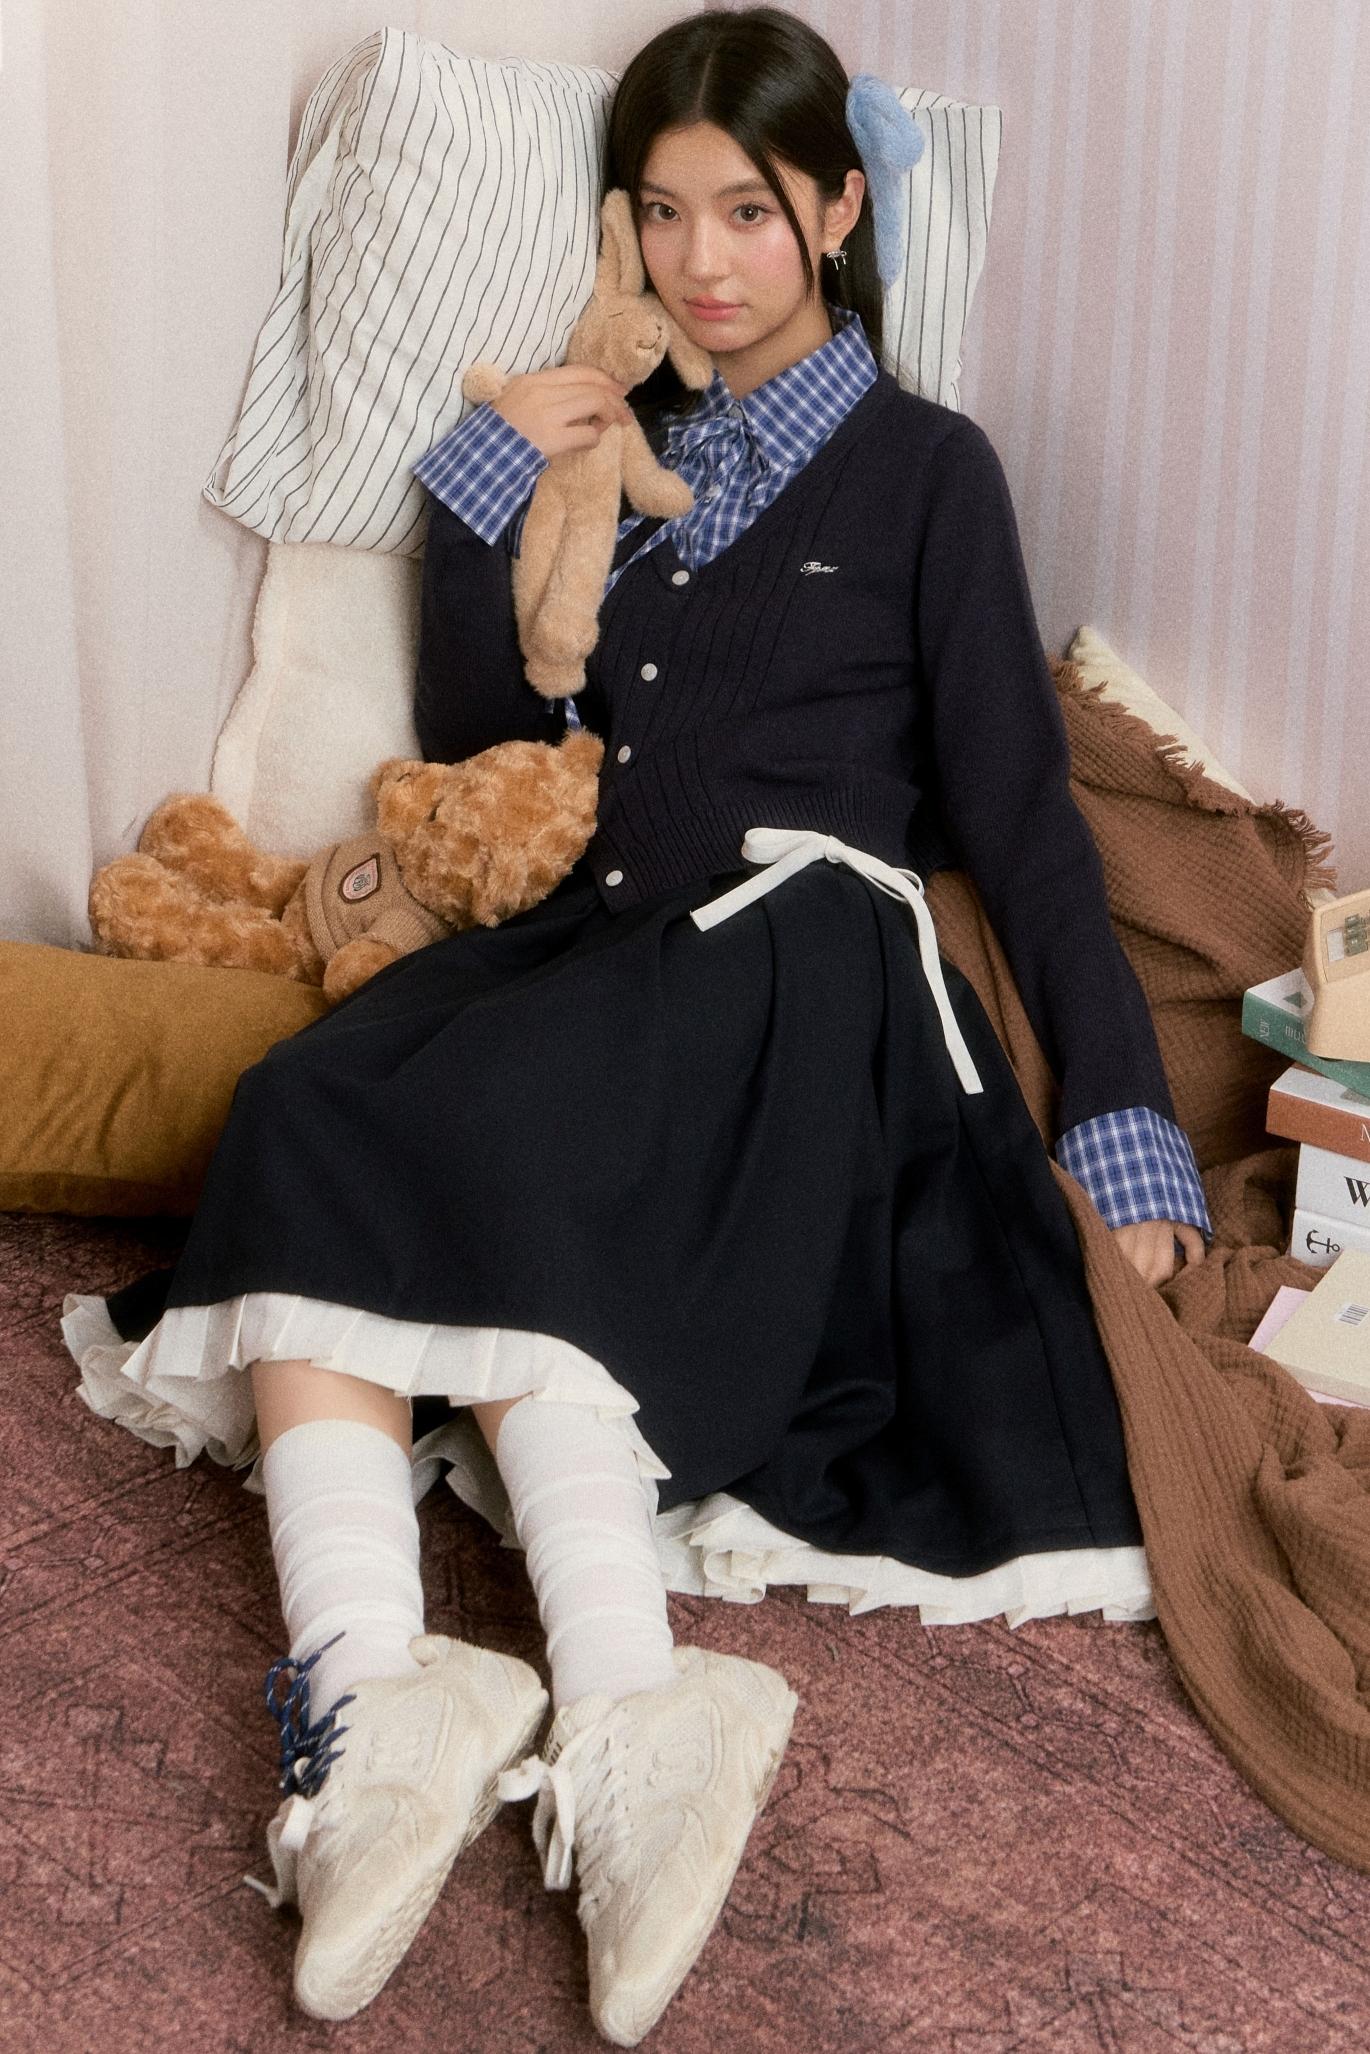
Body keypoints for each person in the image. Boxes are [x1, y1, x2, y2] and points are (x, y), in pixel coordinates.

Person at [61, 6, 1211, 2045]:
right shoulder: (617, 453)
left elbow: (1024, 820)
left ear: (835, 212)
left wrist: (1122, 1131)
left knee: (525, 1146)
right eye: (661, 214)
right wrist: (499, 480)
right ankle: (378, 1688)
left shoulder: (927, 470)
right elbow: (488, 740)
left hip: (805, 955)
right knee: (310, 1102)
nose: (702, 261)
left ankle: (622, 1698)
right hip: (606, 948)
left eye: (746, 213)